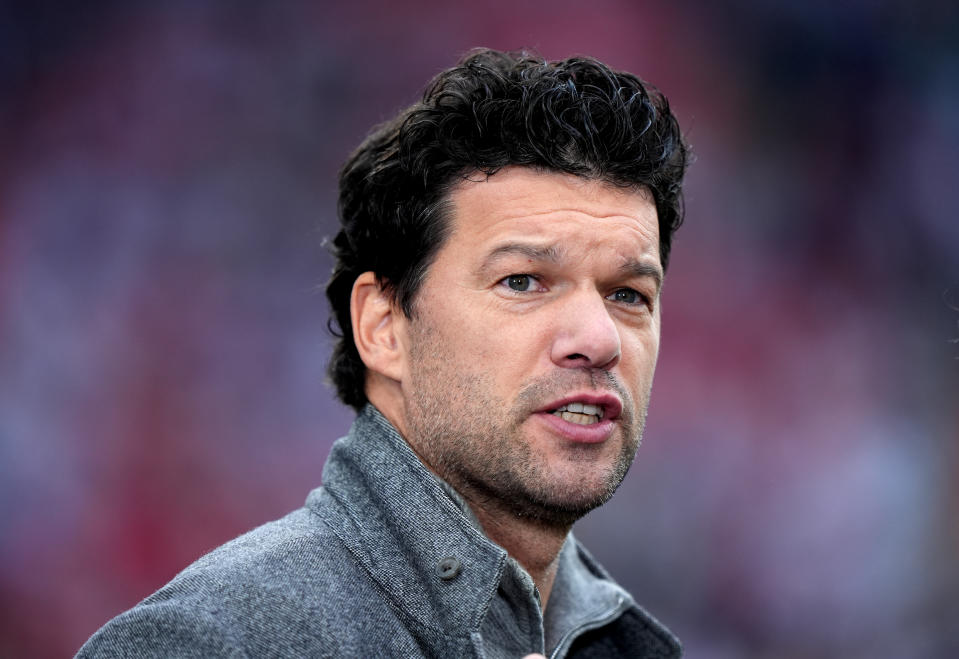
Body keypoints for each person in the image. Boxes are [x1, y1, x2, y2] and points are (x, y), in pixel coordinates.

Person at [78, 48, 689, 658]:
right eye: (523, 281)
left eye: (628, 294)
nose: (599, 338)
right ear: (382, 325)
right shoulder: (211, 641)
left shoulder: (632, 648)